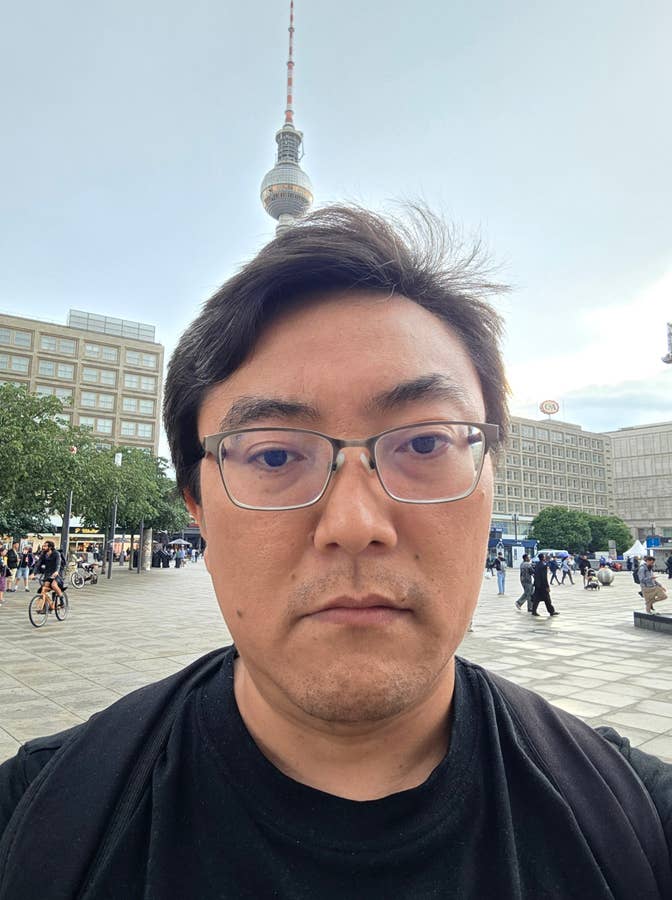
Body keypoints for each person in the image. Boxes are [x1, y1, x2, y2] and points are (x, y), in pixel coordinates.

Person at [0, 207, 671, 899]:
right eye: (274, 454)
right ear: (197, 508)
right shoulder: (43, 824)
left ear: (490, 480)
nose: (354, 524)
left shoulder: (630, 822)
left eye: (425, 443)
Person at [34, 540, 65, 611]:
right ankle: (48, 606)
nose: (43, 547)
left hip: (57, 574)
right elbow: (38, 564)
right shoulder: (43, 554)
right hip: (48, 574)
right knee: (43, 589)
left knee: (54, 585)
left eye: (45, 546)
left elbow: (58, 563)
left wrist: (56, 571)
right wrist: (33, 573)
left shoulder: (56, 553)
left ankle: (62, 600)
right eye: (43, 546)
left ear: (50, 547)